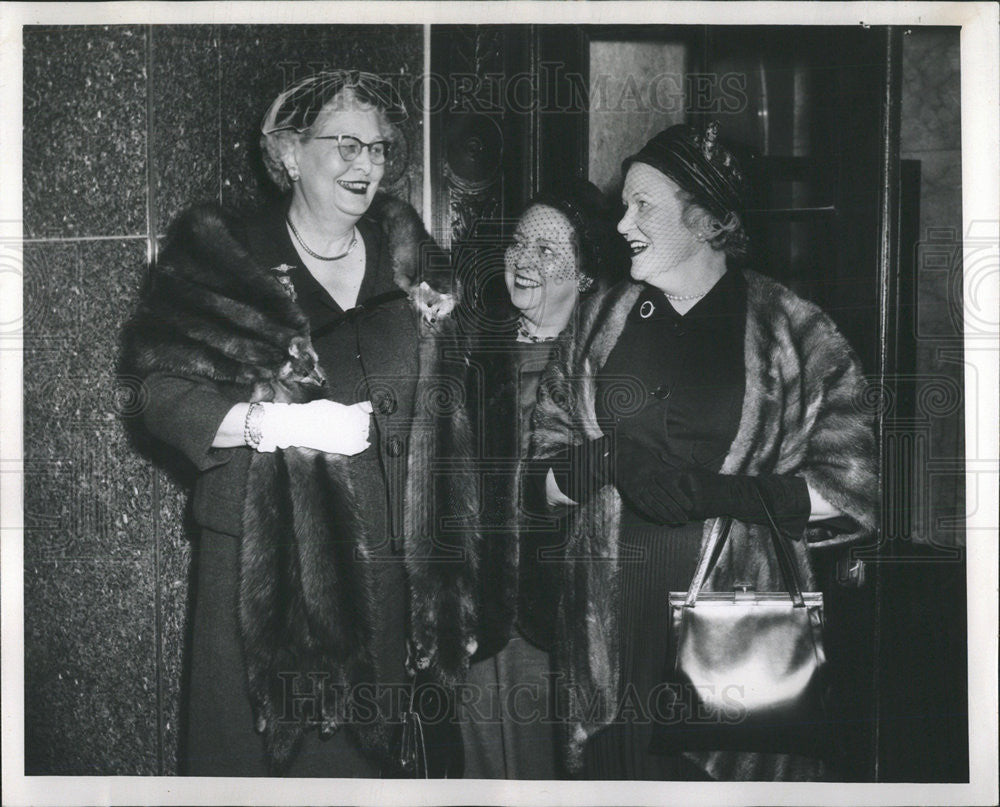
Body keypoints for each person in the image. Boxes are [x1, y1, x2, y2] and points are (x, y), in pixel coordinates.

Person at [125, 70, 478, 777]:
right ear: (288, 153)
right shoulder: (223, 254)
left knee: (366, 769)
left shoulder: (412, 262)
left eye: (377, 149)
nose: (366, 165)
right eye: (346, 145)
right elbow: (156, 393)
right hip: (268, 575)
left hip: (383, 576)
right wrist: (270, 424)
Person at [526, 122, 878, 781]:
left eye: (643, 205)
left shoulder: (794, 330)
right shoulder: (597, 322)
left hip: (740, 642)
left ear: (708, 220)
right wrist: (609, 460)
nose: (622, 221)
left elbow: (855, 498)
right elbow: (534, 483)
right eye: (623, 203)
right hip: (611, 634)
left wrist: (726, 493)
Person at [458, 180, 628, 779]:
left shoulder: (610, 361)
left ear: (585, 275)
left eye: (548, 249)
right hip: (481, 610)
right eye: (518, 242)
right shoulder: (469, 352)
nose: (523, 259)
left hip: (570, 611)